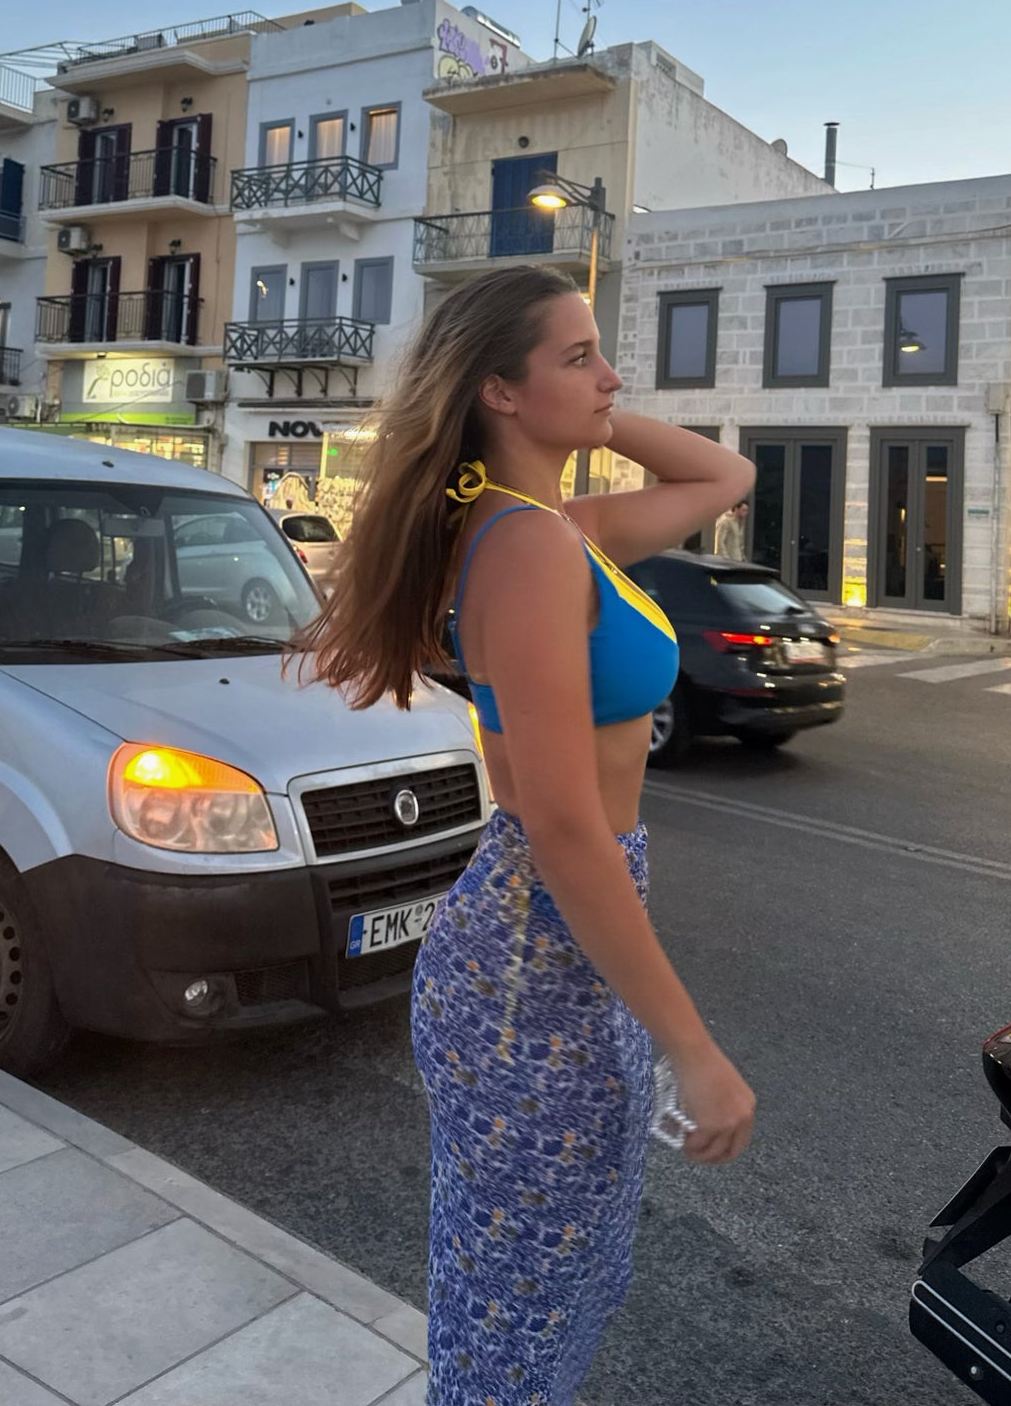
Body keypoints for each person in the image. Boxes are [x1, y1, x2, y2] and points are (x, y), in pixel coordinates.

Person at [299, 266, 757, 1406]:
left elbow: (722, 473)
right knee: (516, 1302)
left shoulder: (556, 526)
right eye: (576, 357)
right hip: (527, 956)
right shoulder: (527, 546)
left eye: (602, 356)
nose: (610, 376)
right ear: (497, 390)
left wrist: (589, 411)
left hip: (544, 944)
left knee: (538, 1282)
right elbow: (558, 824)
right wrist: (693, 1050)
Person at [714, 496, 749, 560]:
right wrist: (726, 559)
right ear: (736, 509)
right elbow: (719, 542)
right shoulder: (725, 521)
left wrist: (743, 558)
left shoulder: (739, 523)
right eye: (743, 510)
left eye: (746, 511)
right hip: (728, 561)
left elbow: (740, 543)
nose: (746, 513)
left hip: (737, 560)